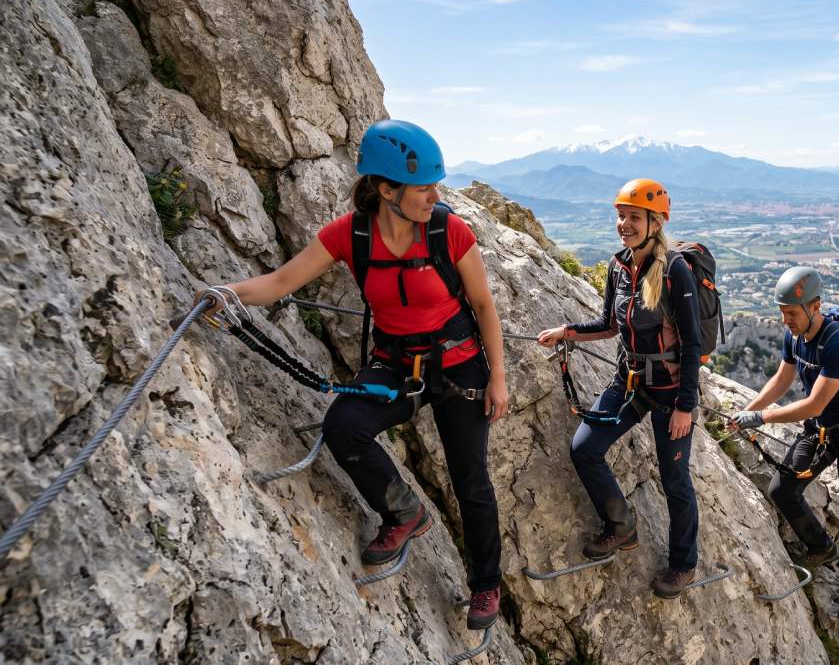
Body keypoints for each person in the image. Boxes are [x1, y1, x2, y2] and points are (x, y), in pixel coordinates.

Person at [195, 120, 508, 630]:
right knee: (344, 426)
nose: (435, 196)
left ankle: (486, 585)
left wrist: (498, 378)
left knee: (470, 479)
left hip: (457, 366)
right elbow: (281, 281)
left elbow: (483, 305)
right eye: (424, 188)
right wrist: (224, 293)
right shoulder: (351, 235)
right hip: (397, 366)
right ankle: (404, 512)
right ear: (386, 189)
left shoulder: (450, 232)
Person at [537, 178, 703, 599]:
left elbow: (691, 344)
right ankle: (621, 526)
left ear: (654, 222)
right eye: (621, 216)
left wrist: (686, 406)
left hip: (669, 392)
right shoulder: (618, 266)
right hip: (629, 381)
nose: (624, 224)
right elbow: (610, 325)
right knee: (585, 448)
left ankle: (683, 564)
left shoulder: (674, 271)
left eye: (633, 217)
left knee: (674, 480)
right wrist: (567, 331)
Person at [727, 267, 839, 621]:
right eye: (782, 313)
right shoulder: (793, 337)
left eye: (792, 313)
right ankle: (821, 547)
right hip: (821, 430)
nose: (786, 320)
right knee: (783, 488)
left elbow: (814, 403)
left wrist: (761, 418)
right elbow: (782, 380)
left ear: (815, 306)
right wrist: (746, 411)